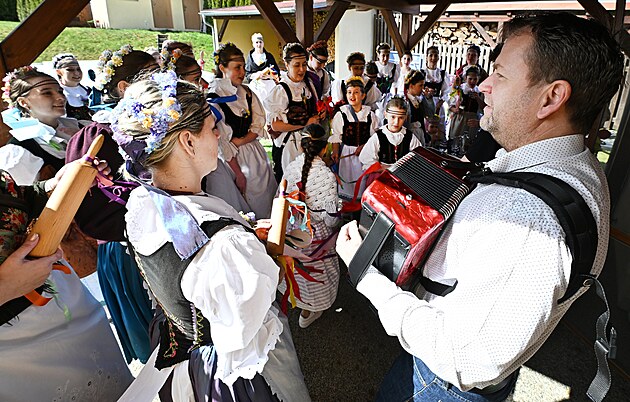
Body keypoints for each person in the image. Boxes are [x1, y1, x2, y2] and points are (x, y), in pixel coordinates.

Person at [337, 11, 622, 401]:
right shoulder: (574, 167)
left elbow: (466, 360)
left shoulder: (529, 219)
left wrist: (366, 273)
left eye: (500, 74)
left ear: (551, 97)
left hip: (443, 384)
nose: (484, 85)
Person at [111, 71, 311, 401]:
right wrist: (265, 256)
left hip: (182, 347)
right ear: (188, 142)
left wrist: (248, 239)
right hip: (231, 370)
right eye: (212, 127)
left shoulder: (143, 202)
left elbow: (187, 265)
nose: (219, 135)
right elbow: (246, 323)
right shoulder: (225, 245)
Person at [0, 163, 133, 401]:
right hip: (15, 349)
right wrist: (6, 287)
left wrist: (53, 187)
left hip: (64, 301)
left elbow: (14, 199)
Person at [66, 45, 159, 364]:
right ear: (124, 87)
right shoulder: (99, 135)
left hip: (160, 239)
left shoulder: (154, 125)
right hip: (128, 248)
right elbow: (89, 207)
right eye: (153, 78)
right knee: (157, 342)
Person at [278, 124, 340, 328]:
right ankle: (312, 309)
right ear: (325, 148)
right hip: (317, 234)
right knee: (317, 270)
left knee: (298, 270)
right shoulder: (327, 176)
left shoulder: (291, 167)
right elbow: (330, 219)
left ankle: (304, 307)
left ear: (302, 146)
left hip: (292, 229)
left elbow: (281, 198)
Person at [209, 43, 276, 219]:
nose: (242, 72)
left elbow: (257, 126)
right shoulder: (214, 97)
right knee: (239, 204)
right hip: (230, 160)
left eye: (243, 67)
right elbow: (222, 142)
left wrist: (241, 141)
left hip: (253, 154)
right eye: (237, 67)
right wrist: (238, 173)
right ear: (222, 68)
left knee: (264, 198)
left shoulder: (246, 93)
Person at [0, 66, 80, 184]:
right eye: (47, 93)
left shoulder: (81, 127)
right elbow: (20, 194)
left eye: (60, 91)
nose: (61, 97)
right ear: (24, 102)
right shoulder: (20, 150)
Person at [264, 42, 321, 183]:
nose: (302, 69)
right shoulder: (281, 91)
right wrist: (305, 124)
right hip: (289, 148)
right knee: (291, 184)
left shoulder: (307, 85)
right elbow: (276, 125)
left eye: (304, 64)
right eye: (297, 65)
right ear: (287, 64)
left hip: (306, 144)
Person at [330, 76, 379, 200]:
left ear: (363, 95)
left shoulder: (370, 115)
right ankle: (347, 206)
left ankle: (359, 206)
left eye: (356, 92)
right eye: (349, 92)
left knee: (362, 184)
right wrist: (335, 152)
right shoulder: (341, 114)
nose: (352, 95)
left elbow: (374, 138)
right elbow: (336, 136)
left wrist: (364, 147)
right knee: (347, 183)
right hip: (347, 155)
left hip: (365, 155)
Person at [359, 96, 422, 170]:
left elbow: (419, 157)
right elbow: (366, 158)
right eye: (393, 117)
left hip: (403, 173)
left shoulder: (409, 136)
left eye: (401, 118)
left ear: (405, 117)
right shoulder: (378, 136)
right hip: (382, 173)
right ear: (385, 115)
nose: (396, 122)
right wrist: (385, 168)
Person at [447, 66, 484, 155]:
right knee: (455, 139)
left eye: (475, 79)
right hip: (460, 117)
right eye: (470, 79)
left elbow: (483, 108)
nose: (472, 81)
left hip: (472, 119)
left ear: (478, 79)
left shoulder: (480, 92)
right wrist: (455, 109)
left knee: (468, 142)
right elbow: (450, 105)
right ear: (465, 78)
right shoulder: (459, 89)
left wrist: (478, 98)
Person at [52, 53, 92, 121]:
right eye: (70, 70)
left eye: (78, 69)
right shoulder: (58, 94)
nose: (76, 73)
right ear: (59, 72)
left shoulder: (88, 90)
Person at [403, 69, 429, 145]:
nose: (423, 88)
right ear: (411, 86)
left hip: (420, 135)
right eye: (420, 85)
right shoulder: (405, 102)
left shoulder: (419, 100)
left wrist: (428, 98)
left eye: (423, 85)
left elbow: (429, 114)